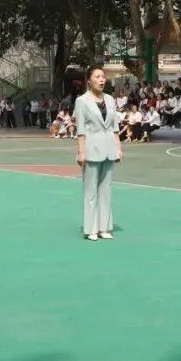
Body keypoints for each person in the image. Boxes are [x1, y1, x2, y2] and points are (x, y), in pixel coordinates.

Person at [75, 65, 121, 241]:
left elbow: (114, 127)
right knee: (90, 191)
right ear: (89, 80)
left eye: (103, 76)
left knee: (106, 190)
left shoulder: (110, 99)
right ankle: (91, 228)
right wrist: (81, 152)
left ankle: (104, 227)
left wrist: (118, 148)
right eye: (97, 76)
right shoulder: (82, 101)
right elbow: (80, 130)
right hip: (91, 149)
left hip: (109, 149)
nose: (102, 79)